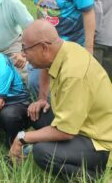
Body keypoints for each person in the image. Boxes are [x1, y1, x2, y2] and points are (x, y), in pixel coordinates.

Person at [10, 19, 112, 180]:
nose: (23, 55)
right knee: (34, 112)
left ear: (44, 47)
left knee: (42, 153)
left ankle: (94, 176)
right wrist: (42, 98)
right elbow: (45, 66)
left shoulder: (74, 74)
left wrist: (22, 137)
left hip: (99, 141)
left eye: (25, 49)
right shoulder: (64, 49)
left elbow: (65, 132)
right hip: (80, 125)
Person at [27, 0, 95, 124]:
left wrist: (89, 49)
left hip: (72, 46)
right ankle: (52, 120)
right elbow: (41, 12)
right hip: (47, 47)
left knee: (70, 87)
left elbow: (88, 13)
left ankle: (72, 123)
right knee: (34, 82)